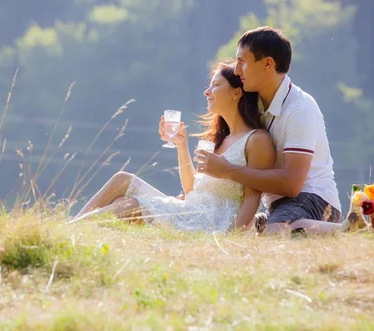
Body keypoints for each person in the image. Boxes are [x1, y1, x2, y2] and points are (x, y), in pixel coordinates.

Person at [71, 62, 275, 232]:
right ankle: (69, 230)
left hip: (213, 221)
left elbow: (252, 198)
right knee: (123, 180)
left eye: (215, 85)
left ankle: (69, 233)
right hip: (192, 208)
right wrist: (181, 144)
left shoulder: (256, 140)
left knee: (131, 206)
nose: (207, 92)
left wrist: (233, 237)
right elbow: (192, 189)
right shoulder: (219, 140)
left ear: (237, 93)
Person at [194, 26, 342, 235]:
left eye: (242, 62)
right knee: (240, 231)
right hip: (277, 205)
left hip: (313, 198)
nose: (236, 70)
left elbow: (292, 185)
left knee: (273, 234)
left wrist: (227, 171)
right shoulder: (255, 103)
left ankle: (347, 231)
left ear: (268, 64)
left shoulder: (300, 109)